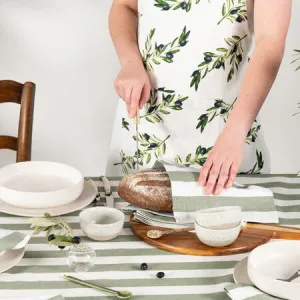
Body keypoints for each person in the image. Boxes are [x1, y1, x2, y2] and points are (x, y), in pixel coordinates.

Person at [106, 0, 291, 195]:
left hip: (227, 139)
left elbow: (270, 43)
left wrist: (235, 132)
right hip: (143, 133)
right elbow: (125, 6)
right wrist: (130, 61)